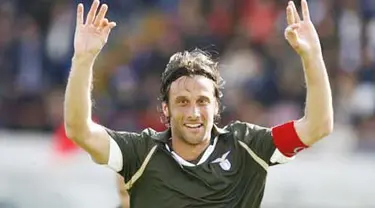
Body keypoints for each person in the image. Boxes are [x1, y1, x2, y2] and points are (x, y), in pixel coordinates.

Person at [64, 0, 333, 207]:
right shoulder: (141, 153)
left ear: (216, 106)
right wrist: (83, 59)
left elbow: (318, 126)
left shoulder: (247, 146)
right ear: (165, 109)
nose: (193, 112)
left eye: (202, 101)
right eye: (182, 102)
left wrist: (313, 56)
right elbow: (80, 130)